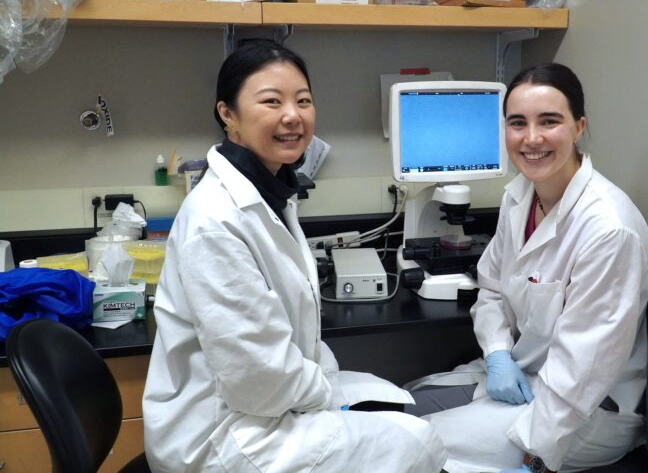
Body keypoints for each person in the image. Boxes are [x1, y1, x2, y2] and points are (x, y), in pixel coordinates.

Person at [142, 40, 446, 472]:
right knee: (416, 442)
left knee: (396, 400)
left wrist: (328, 396)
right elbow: (258, 378)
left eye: (303, 101)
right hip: (222, 434)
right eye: (271, 101)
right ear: (228, 115)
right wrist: (325, 400)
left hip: (268, 403)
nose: (292, 115)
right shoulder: (216, 219)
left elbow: (285, 349)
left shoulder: (271, 193)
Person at [405, 63, 648, 473]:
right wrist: (499, 352)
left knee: (412, 445)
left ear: (579, 127)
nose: (531, 138)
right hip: (524, 376)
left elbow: (581, 374)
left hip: (580, 414)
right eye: (517, 123)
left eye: (549, 121)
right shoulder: (520, 197)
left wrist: (536, 457)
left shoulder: (609, 229)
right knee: (404, 403)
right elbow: (492, 289)